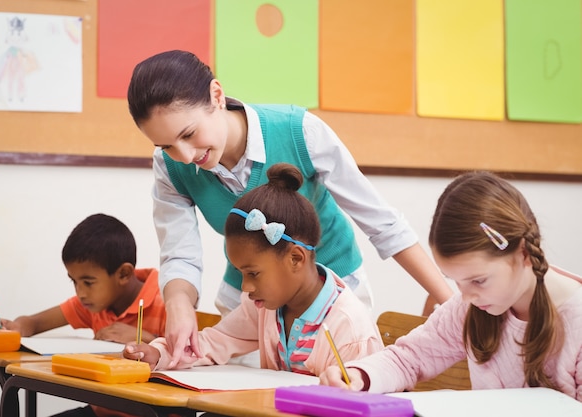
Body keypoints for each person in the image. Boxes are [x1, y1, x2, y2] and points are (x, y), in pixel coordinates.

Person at [127, 49, 453, 366]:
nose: (184, 155)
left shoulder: (300, 131)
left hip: (334, 290)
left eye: (188, 134)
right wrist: (179, 306)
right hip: (255, 300)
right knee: (244, 392)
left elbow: (383, 225)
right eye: (166, 145)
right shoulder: (170, 167)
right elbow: (180, 253)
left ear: (216, 95)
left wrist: (453, 303)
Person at [319, 171, 582, 401]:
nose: (465, 297)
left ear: (523, 254)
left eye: (478, 280)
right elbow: (408, 358)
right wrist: (358, 375)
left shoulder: (575, 322)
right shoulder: (470, 308)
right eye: (456, 281)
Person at [123, 163, 384, 374]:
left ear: (295, 258)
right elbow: (213, 342)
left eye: (253, 274)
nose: (246, 288)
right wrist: (159, 353)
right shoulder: (265, 308)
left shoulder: (350, 331)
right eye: (241, 274)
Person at [0, 213, 167, 417]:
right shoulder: (94, 304)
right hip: (102, 411)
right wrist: (18, 326)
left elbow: (189, 360)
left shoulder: (167, 300)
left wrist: (147, 339)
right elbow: (35, 322)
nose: (80, 293)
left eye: (88, 282)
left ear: (124, 274)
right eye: (74, 281)